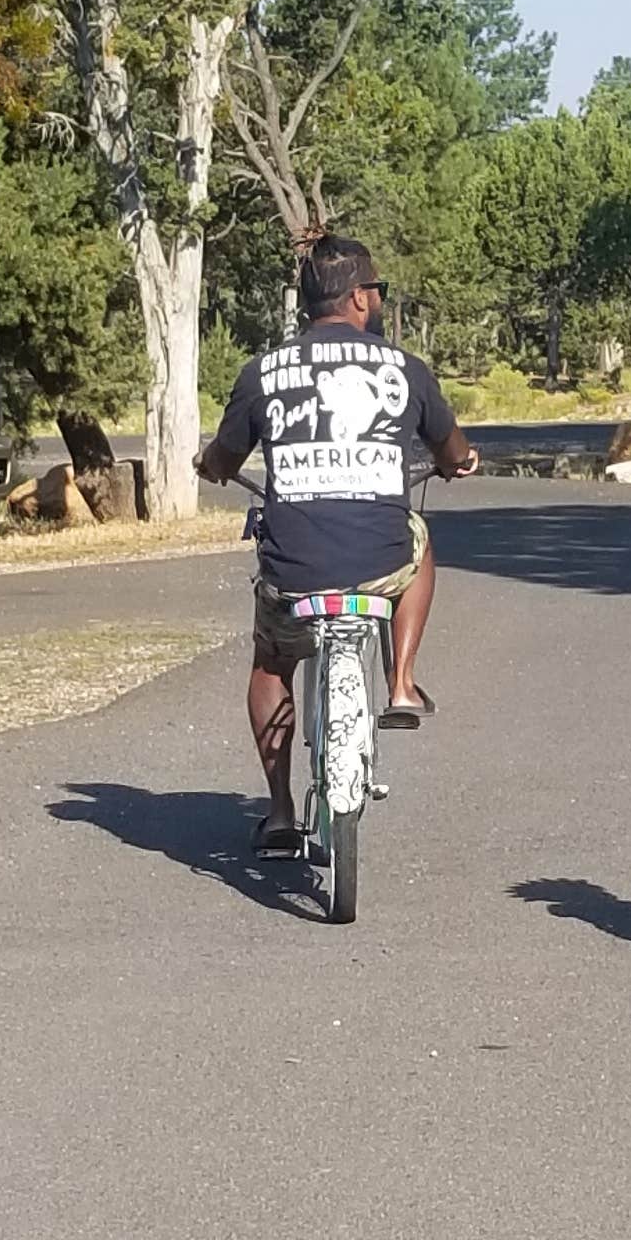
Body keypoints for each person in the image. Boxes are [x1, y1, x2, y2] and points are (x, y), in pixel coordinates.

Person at [196, 234, 478, 848]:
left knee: (272, 663)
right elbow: (451, 451)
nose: (377, 299)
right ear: (356, 298)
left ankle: (278, 812)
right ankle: (402, 680)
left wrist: (211, 465)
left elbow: (224, 455)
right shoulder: (404, 369)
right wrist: (458, 463)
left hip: (293, 571)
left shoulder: (262, 372)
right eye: (376, 290)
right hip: (379, 563)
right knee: (420, 541)